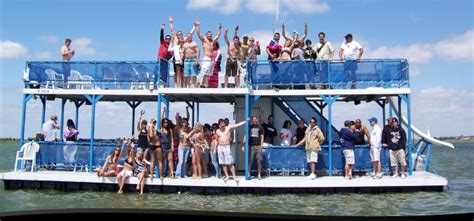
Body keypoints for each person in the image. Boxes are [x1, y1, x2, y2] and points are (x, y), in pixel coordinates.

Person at [195, 20, 222, 88]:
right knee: (204, 72)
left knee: (208, 73)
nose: (210, 36)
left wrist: (219, 28)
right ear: (206, 35)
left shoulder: (213, 41)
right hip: (206, 58)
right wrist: (198, 26)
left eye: (210, 35)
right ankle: (199, 84)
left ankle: (204, 84)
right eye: (208, 35)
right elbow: (198, 34)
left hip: (211, 59)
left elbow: (218, 35)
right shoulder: (204, 40)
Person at [182, 23, 200, 88]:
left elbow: (198, 52)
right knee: (186, 74)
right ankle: (187, 85)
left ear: (191, 37)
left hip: (193, 60)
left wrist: (197, 60)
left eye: (190, 36)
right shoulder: (184, 44)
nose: (189, 37)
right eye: (188, 36)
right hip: (186, 60)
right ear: (186, 37)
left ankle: (194, 85)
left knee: (194, 74)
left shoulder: (194, 43)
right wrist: (181, 59)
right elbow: (182, 52)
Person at [158, 108, 175, 178]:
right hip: (162, 147)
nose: (166, 123)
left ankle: (171, 173)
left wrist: (172, 146)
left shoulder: (169, 130)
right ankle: (162, 173)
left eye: (167, 122)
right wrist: (163, 112)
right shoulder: (161, 129)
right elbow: (160, 120)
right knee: (162, 160)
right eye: (164, 122)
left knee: (170, 159)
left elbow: (171, 139)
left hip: (168, 146)